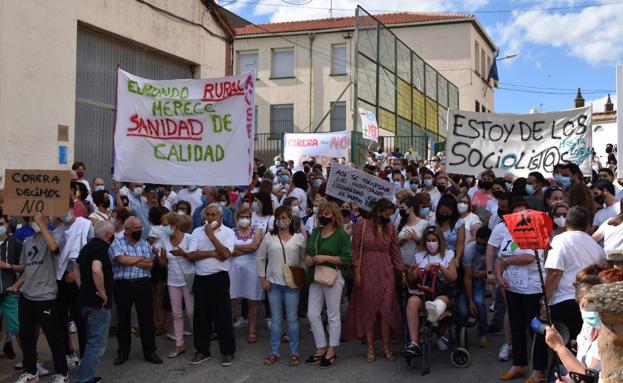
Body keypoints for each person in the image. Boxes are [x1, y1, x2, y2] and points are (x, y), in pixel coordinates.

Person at [490, 198, 548, 382]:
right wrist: (499, 276)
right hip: (512, 288)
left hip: (532, 289)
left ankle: (538, 370)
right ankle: (518, 365)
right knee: (516, 328)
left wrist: (507, 262)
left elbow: (528, 258)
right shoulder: (507, 234)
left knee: (535, 330)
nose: (519, 217)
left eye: (523, 213)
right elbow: (500, 258)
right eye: (515, 213)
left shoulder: (534, 233)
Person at [344, 198, 406, 363]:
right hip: (367, 270)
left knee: (386, 308)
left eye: (391, 215)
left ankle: (386, 346)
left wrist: (402, 271)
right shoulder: (362, 225)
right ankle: (371, 347)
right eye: (386, 214)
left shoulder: (391, 228)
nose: (389, 217)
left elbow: (395, 251)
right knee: (369, 308)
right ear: (378, 211)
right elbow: (355, 251)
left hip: (386, 272)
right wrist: (356, 271)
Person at [12, 213, 69, 383]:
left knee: (53, 336)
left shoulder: (56, 236)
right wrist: (17, 285)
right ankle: (31, 371)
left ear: (47, 219)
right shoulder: (28, 241)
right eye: (32, 219)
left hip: (46, 295)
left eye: (40, 218)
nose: (35, 221)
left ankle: (61, 373)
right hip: (27, 295)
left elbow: (54, 249)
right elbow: (27, 268)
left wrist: (42, 226)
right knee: (27, 336)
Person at [182, 203, 236, 367]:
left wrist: (212, 237)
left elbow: (225, 254)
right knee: (201, 317)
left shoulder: (228, 232)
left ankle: (227, 351)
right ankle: (202, 350)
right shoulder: (197, 231)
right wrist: (213, 253)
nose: (210, 218)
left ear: (220, 217)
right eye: (208, 215)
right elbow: (191, 255)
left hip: (219, 278)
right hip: (201, 278)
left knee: (223, 316)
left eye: (214, 215)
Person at [544, 206, 606, 343]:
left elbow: (554, 273)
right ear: (589, 226)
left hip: (562, 301)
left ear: (566, 222)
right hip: (589, 304)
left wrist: (544, 301)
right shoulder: (597, 248)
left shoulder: (560, 240)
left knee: (560, 346)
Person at [256, 206, 306, 366]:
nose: (282, 221)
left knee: (292, 320)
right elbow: (260, 258)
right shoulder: (268, 237)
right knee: (276, 320)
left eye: (285, 218)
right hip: (274, 284)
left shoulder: (299, 238)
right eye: (279, 218)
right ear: (275, 220)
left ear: (291, 219)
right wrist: (263, 279)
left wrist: (303, 278)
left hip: (292, 285)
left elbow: (304, 260)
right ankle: (274, 351)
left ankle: (294, 352)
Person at [304, 202, 352, 368]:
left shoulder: (341, 234)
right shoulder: (316, 232)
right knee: (312, 313)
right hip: (316, 275)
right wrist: (308, 258)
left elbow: (346, 258)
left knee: (333, 314)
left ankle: (331, 349)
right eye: (321, 213)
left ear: (334, 217)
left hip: (333, 276)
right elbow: (308, 251)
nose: (323, 216)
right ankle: (320, 346)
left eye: (327, 214)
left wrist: (325, 258)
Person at [109, 217, 162, 366]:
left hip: (142, 284)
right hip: (123, 285)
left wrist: (131, 259)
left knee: (146, 318)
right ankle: (123, 352)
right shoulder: (117, 243)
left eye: (140, 228)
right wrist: (139, 259)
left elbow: (150, 264)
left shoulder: (145, 243)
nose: (139, 231)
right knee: (123, 319)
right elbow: (121, 260)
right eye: (136, 229)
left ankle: (150, 351)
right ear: (127, 230)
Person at [404, 226, 457, 356]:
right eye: (428, 240)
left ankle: (434, 314)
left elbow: (453, 277)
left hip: (442, 292)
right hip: (424, 292)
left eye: (434, 240)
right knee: (412, 302)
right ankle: (414, 343)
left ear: (440, 240)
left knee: (441, 300)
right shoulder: (420, 256)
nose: (431, 243)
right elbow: (411, 280)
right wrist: (412, 272)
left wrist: (440, 267)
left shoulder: (448, 255)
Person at [545, 271, 605, 383]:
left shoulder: (610, 332)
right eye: (584, 305)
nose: (591, 310)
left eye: (595, 304)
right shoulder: (588, 326)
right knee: (557, 372)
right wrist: (568, 379)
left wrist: (559, 347)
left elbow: (589, 378)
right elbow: (579, 366)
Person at [75, 221, 115, 383]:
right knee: (96, 343)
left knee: (91, 339)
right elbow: (96, 268)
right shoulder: (101, 249)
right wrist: (103, 292)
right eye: (112, 234)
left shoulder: (87, 247)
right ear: (107, 235)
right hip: (97, 303)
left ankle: (86, 374)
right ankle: (85, 378)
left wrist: (82, 286)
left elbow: (76, 266)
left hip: (84, 299)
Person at [56, 207, 93, 368]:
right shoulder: (56, 232)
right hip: (60, 279)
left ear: (72, 208)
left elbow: (92, 252)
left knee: (81, 319)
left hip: (79, 279)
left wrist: (77, 273)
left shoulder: (85, 226)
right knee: (61, 319)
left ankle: (86, 354)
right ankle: (68, 352)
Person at [157, 213, 194, 358]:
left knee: (191, 312)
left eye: (165, 225)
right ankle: (179, 345)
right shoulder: (164, 240)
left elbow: (193, 257)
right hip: (172, 279)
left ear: (175, 225)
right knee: (176, 313)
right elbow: (163, 263)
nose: (164, 228)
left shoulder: (189, 238)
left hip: (190, 277)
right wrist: (159, 254)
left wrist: (182, 253)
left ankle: (199, 342)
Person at [229, 207, 263, 344]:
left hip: (252, 270)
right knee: (231, 300)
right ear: (237, 218)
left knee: (252, 301)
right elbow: (228, 250)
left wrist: (237, 249)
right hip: (233, 270)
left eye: (247, 216)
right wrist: (246, 249)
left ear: (250, 218)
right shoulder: (231, 232)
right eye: (241, 216)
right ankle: (229, 328)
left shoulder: (257, 231)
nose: (244, 219)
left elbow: (255, 246)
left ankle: (252, 330)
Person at [459, 227, 491, 348]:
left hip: (479, 279)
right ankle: (459, 337)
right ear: (475, 239)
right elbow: (467, 278)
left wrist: (486, 274)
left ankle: (483, 334)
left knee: (480, 302)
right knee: (462, 310)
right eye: (479, 243)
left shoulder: (493, 249)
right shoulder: (469, 250)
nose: (481, 246)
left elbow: (497, 267)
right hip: (466, 280)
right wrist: (470, 301)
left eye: (485, 244)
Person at [0, 215, 24, 360]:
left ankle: (31, 362)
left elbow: (26, 268)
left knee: (19, 329)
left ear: (7, 224)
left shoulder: (15, 243)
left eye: (1, 223)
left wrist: (8, 266)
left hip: (10, 293)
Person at [397, 195, 428, 264]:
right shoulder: (398, 223)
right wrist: (403, 240)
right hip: (400, 263)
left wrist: (416, 238)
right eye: (399, 208)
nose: (400, 210)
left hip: (416, 264)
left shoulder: (424, 224)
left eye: (402, 208)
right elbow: (394, 245)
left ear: (411, 208)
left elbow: (428, 245)